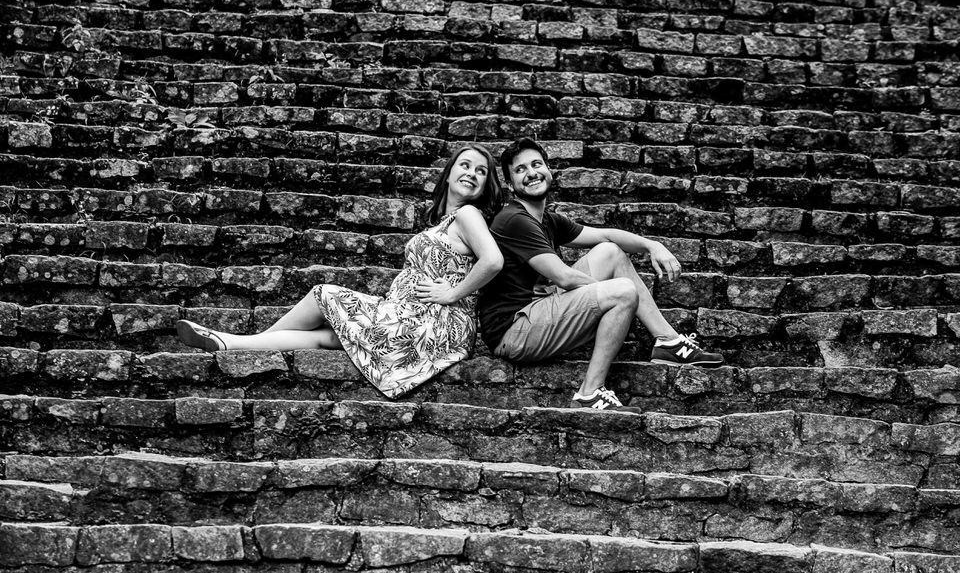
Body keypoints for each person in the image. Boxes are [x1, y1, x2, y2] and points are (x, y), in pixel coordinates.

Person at [177, 144, 505, 398]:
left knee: (324, 294)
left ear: (485, 185)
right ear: (448, 174)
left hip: (434, 323)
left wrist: (452, 293)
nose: (472, 173)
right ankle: (230, 343)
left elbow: (492, 261)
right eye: (465, 165)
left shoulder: (468, 214)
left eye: (481, 171)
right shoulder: (445, 222)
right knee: (332, 337)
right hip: (413, 317)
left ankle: (246, 341)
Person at [477, 137, 723, 412]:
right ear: (510, 184)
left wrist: (652, 245)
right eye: (520, 169)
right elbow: (564, 278)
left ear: (548, 169)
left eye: (536, 164)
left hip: (538, 311)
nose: (531, 173)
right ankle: (590, 393)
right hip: (514, 331)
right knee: (623, 292)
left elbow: (605, 236)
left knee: (611, 252)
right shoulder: (514, 220)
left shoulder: (547, 219)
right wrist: (614, 293)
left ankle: (668, 341)